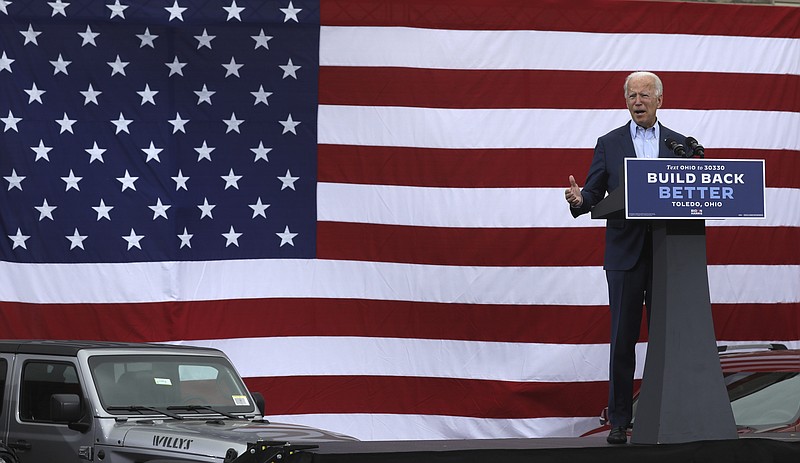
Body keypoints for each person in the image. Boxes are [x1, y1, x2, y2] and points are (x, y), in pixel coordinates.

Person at [564, 71, 686, 445]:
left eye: (645, 94)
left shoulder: (681, 146)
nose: (638, 100)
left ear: (660, 100)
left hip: (669, 255)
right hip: (624, 256)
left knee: (672, 341)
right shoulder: (610, 143)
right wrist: (580, 200)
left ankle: (673, 415)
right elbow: (593, 190)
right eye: (631, 95)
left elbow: (692, 193)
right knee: (623, 339)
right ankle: (619, 420)